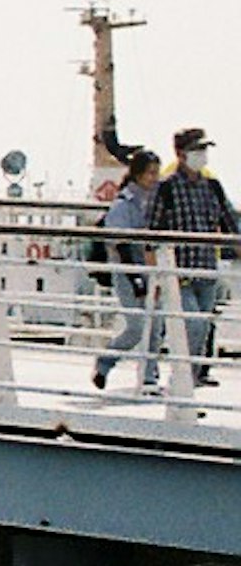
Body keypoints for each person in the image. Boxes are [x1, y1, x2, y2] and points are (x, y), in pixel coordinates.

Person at [155, 127, 234, 389]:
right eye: (196, 150)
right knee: (194, 323)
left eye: (204, 150)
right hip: (180, 270)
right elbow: (152, 228)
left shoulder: (211, 185)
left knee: (203, 327)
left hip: (207, 267)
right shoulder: (166, 187)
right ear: (180, 153)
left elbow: (229, 220)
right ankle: (182, 382)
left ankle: (189, 381)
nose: (202, 156)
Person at [93, 147, 165, 393]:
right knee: (137, 327)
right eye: (150, 173)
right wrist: (135, 278)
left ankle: (149, 378)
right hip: (127, 273)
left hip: (152, 270)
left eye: (157, 173)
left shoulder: (156, 200)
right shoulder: (125, 204)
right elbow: (121, 244)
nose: (154, 178)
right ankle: (105, 362)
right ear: (137, 174)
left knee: (155, 328)